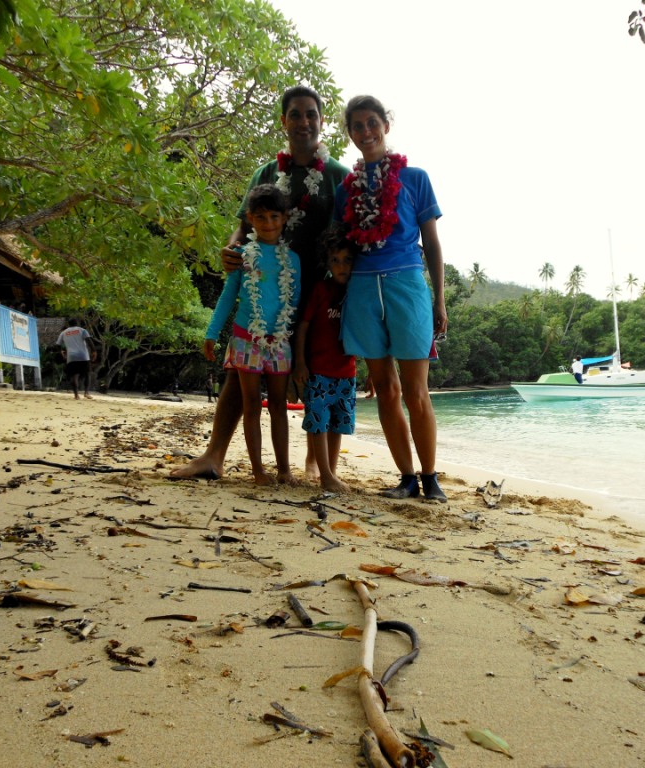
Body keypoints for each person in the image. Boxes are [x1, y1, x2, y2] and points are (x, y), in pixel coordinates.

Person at [171, 85, 349, 481]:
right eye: (295, 114)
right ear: (284, 121)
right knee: (239, 377)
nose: (304, 122)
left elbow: (350, 238)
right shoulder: (267, 172)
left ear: (321, 121)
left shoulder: (338, 175)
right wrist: (232, 250)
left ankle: (316, 462)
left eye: (311, 114)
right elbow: (241, 227)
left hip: (319, 292)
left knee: (321, 372)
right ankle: (213, 456)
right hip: (262, 293)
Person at [334, 95, 447, 502]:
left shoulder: (415, 178)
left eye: (372, 122)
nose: (366, 131)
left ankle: (431, 478)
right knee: (385, 388)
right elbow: (341, 248)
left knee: (416, 390)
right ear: (350, 133)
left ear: (386, 124)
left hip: (407, 286)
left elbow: (432, 243)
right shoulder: (347, 190)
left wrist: (439, 299)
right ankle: (406, 478)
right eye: (357, 126)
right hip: (363, 290)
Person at [203, 185, 300, 486]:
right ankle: (258, 470)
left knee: (279, 407)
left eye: (274, 216)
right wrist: (211, 333)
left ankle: (284, 470)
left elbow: (295, 303)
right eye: (261, 217)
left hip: (279, 342)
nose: (268, 223)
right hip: (246, 339)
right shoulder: (242, 256)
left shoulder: (293, 260)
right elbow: (227, 296)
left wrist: (295, 347)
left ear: (285, 218)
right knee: (251, 405)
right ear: (250, 218)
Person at [292, 226, 357, 492]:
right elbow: (303, 326)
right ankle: (325, 475)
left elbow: (367, 333)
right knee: (318, 423)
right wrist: (300, 362)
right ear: (327, 263)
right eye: (335, 260)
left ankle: (331, 472)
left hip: (347, 372)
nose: (341, 266)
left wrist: (372, 372)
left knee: (338, 424)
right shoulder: (320, 289)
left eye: (347, 260)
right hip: (318, 371)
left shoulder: (356, 292)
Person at [56, 321, 97, 399]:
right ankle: (86, 393)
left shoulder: (64, 332)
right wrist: (94, 351)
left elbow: (58, 345)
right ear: (77, 324)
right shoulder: (82, 330)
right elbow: (89, 341)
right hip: (83, 356)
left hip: (71, 357)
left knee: (74, 375)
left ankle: (76, 395)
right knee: (87, 374)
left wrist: (61, 352)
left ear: (68, 324)